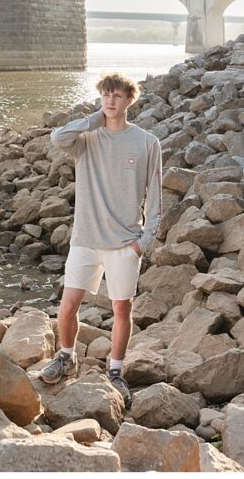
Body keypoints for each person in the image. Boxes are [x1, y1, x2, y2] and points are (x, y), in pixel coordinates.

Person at [39, 72, 161, 408]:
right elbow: (58, 137)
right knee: (67, 307)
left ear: (129, 100)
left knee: (122, 308)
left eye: (117, 96)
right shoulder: (87, 139)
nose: (110, 101)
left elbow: (155, 197)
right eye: (105, 95)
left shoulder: (147, 142)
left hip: (125, 243)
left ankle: (116, 372)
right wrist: (95, 119)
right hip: (86, 239)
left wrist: (144, 241)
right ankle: (66, 357)